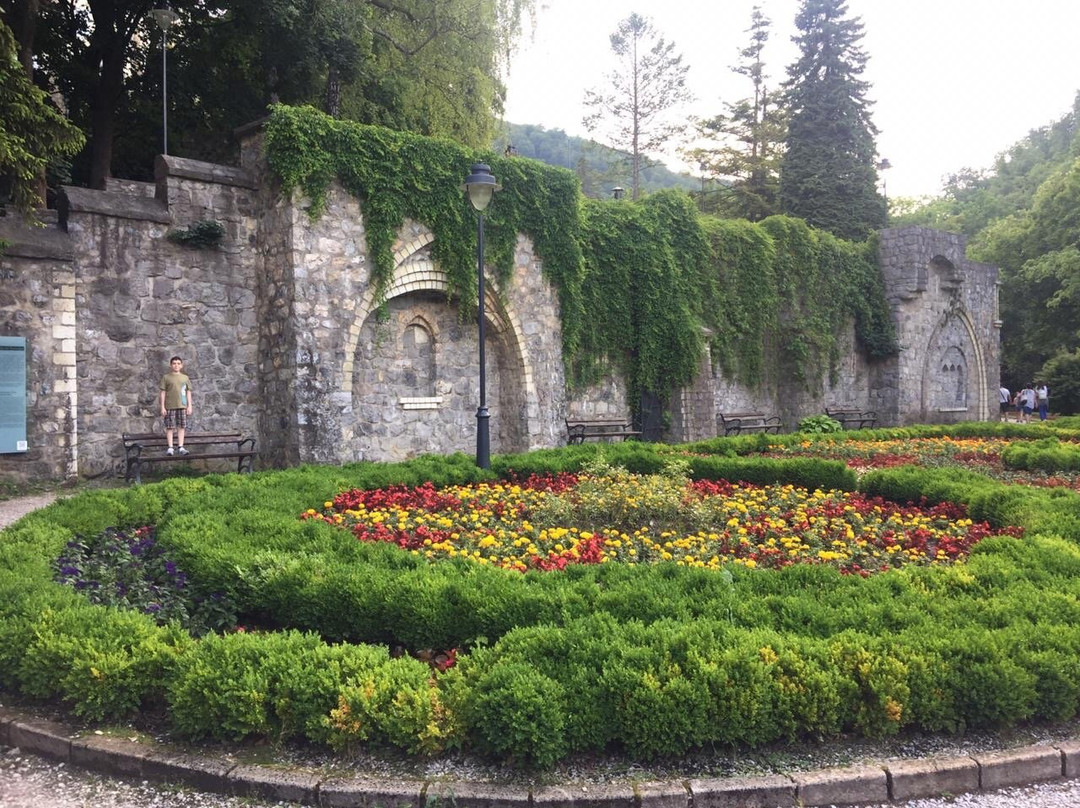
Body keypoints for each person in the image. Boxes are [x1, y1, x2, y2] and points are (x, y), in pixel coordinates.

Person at [159, 356, 194, 455]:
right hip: (169, 406)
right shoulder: (166, 377)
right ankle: (170, 447)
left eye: (178, 363)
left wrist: (189, 406)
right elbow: (163, 392)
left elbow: (188, 392)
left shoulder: (185, 377)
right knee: (170, 427)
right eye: (174, 363)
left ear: (181, 365)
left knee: (181, 426)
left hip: (182, 405)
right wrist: (162, 407)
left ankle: (181, 447)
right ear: (171, 365)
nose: (176, 365)